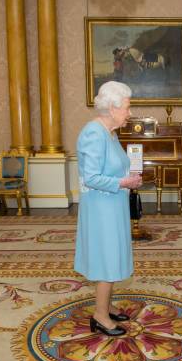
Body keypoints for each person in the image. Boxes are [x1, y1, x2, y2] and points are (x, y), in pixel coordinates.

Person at [74, 81, 142, 336]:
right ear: (112, 108)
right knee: (107, 258)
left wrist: (130, 178)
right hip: (101, 209)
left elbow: (115, 168)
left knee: (113, 255)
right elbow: (91, 177)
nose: (129, 112)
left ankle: (106, 305)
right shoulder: (93, 132)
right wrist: (124, 182)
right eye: (127, 107)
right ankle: (100, 316)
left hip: (113, 205)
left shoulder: (110, 132)